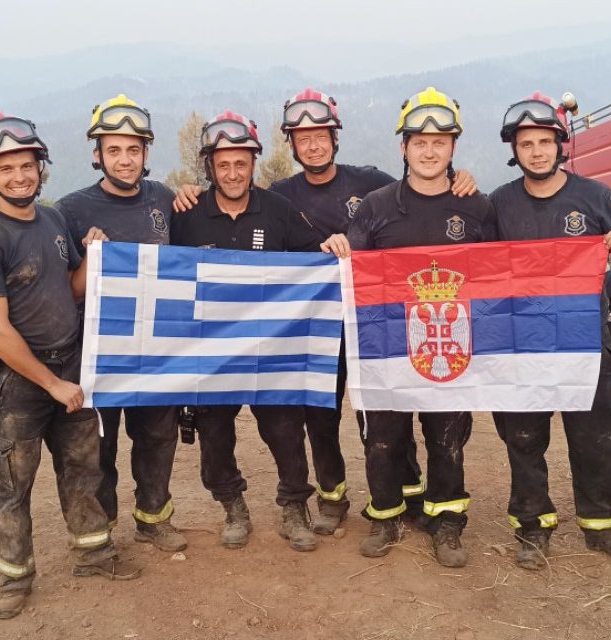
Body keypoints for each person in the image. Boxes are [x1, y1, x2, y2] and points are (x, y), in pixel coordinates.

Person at [173, 88, 481, 535]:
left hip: (372, 325)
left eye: (320, 135)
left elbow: (420, 189)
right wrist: (185, 193)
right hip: (312, 329)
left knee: (380, 417)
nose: (312, 144)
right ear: (290, 146)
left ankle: (408, 492)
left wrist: (459, 177)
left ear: (335, 138)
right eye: (302, 138)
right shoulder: (279, 196)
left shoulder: (369, 183)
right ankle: (333, 496)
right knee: (320, 417)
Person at [0, 95, 188, 553]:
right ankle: (67, 548)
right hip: (90, 354)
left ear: (146, 152)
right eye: (113, 150)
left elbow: (72, 281)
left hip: (147, 349)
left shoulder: (161, 199)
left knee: (150, 439)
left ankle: (141, 525)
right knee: (91, 452)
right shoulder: (69, 210)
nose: (124, 160)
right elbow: (3, 317)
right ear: (97, 154)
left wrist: (195, 194)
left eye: (133, 149)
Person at [0, 113, 139, 621]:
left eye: (27, 165)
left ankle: (94, 552)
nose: (20, 176)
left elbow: (71, 286)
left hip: (71, 367)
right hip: (22, 381)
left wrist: (94, 259)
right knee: (14, 481)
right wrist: (54, 383)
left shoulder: (54, 219)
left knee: (84, 468)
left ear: (41, 167)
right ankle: (14, 577)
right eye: (7, 168)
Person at [488, 92, 611, 571]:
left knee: (596, 435)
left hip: (584, 343)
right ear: (514, 150)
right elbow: (474, 268)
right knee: (523, 438)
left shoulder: (594, 197)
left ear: (560, 145)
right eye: (526, 143)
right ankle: (532, 528)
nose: (537, 151)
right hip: (520, 345)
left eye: (545, 141)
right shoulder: (498, 204)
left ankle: (602, 526)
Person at [169, 110, 345, 552]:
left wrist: (335, 247)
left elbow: (314, 262)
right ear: (210, 167)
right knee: (215, 438)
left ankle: (293, 507)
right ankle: (232, 505)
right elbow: (159, 275)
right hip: (211, 356)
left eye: (241, 164)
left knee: (286, 431)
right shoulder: (187, 216)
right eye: (223, 165)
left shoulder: (279, 210)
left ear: (253, 164)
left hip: (271, 353)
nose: (233, 173)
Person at [345, 88, 495, 568]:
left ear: (453, 147)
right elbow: (352, 271)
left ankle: (447, 521)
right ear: (403, 147)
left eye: (440, 142)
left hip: (452, 348)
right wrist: (336, 249)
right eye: (419, 142)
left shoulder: (477, 208)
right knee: (383, 439)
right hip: (387, 349)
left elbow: (500, 275)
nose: (429, 151)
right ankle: (385, 515)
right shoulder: (375, 205)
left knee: (447, 440)